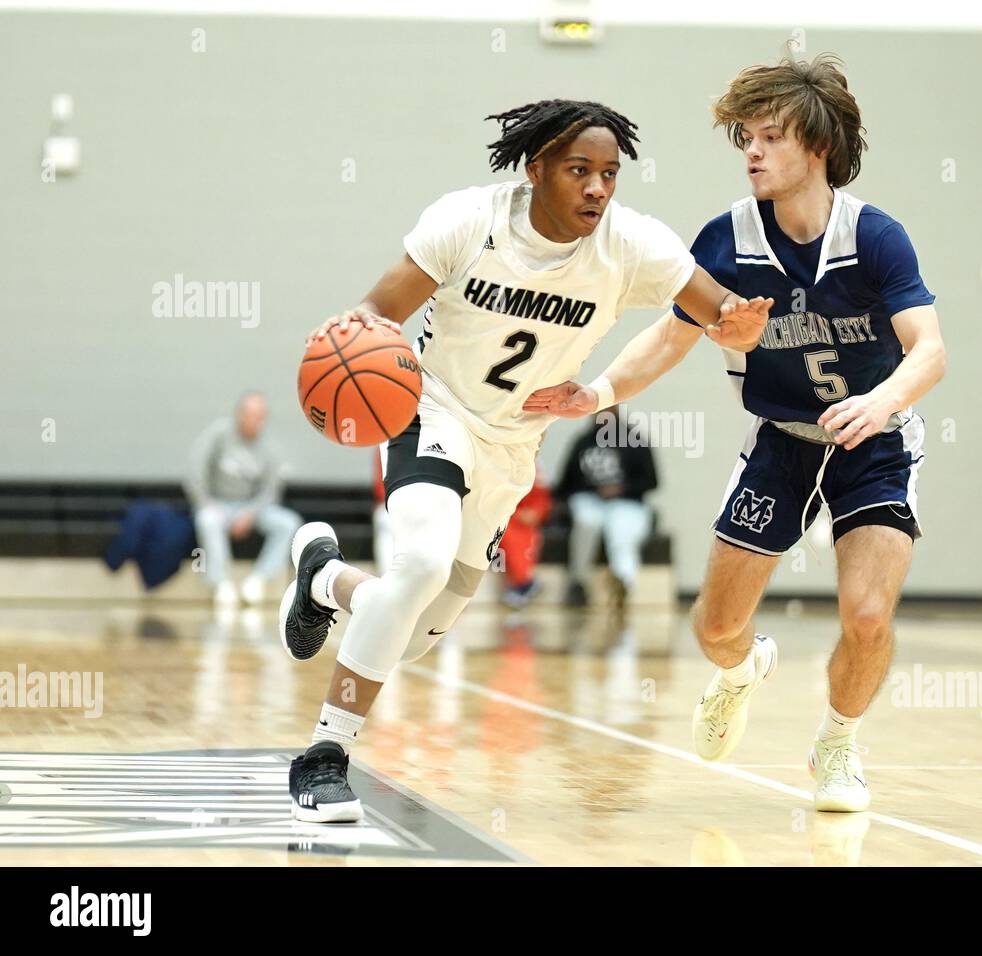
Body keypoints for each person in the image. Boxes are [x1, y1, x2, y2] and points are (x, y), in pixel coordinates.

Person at [278, 99, 773, 822]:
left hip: (513, 448)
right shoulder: (467, 222)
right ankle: (324, 755)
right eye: (581, 171)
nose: (599, 188)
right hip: (433, 409)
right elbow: (379, 313)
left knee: (412, 639)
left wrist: (744, 325)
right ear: (536, 168)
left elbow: (722, 313)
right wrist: (348, 332)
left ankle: (326, 579)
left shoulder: (632, 245)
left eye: (610, 174)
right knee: (417, 563)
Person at [532, 53, 945, 812]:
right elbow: (668, 338)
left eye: (770, 136)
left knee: (866, 613)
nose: (751, 151)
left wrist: (882, 402)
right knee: (715, 626)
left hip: (874, 443)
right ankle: (740, 671)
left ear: (817, 145)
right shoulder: (727, 240)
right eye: (745, 137)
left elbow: (930, 349)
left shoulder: (877, 237)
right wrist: (594, 393)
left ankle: (838, 745)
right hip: (782, 440)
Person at [185, 392, 300, 607]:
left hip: (252, 508)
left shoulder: (269, 448)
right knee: (207, 520)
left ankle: (258, 580)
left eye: (259, 416)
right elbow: (195, 471)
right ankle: (222, 584)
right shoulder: (218, 435)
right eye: (249, 414)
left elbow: (270, 491)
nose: (253, 420)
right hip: (218, 504)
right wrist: (206, 502)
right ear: (239, 414)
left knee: (288, 522)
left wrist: (250, 514)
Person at [554, 406, 658, 608]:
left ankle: (623, 582)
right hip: (590, 500)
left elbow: (652, 481)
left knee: (621, 532)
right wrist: (592, 489)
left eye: (609, 409)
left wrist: (621, 488)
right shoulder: (583, 442)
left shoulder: (634, 440)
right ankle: (578, 583)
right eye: (599, 410)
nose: (604, 415)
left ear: (617, 411)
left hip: (627, 502)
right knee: (587, 522)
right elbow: (565, 484)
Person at [498, 475, 551, 608]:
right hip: (496, 512)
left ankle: (523, 583)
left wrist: (536, 511)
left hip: (518, 518)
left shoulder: (532, 466)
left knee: (517, 535)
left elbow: (540, 497)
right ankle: (524, 584)